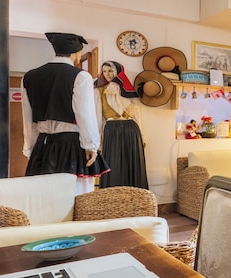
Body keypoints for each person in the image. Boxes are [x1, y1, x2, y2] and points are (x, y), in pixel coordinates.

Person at [22, 32, 108, 194]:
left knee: (43, 194)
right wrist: (91, 145)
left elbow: (28, 117)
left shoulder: (29, 76)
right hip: (71, 146)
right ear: (76, 53)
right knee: (75, 195)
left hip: (42, 145)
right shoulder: (81, 76)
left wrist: (30, 147)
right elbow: (85, 114)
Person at [94, 60, 149, 189]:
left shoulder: (128, 90)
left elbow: (136, 115)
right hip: (112, 130)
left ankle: (135, 196)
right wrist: (98, 139)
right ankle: (114, 198)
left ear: (117, 72)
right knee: (113, 164)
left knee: (133, 163)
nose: (107, 74)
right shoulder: (99, 91)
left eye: (110, 71)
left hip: (131, 129)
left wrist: (142, 135)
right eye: (104, 71)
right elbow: (98, 117)